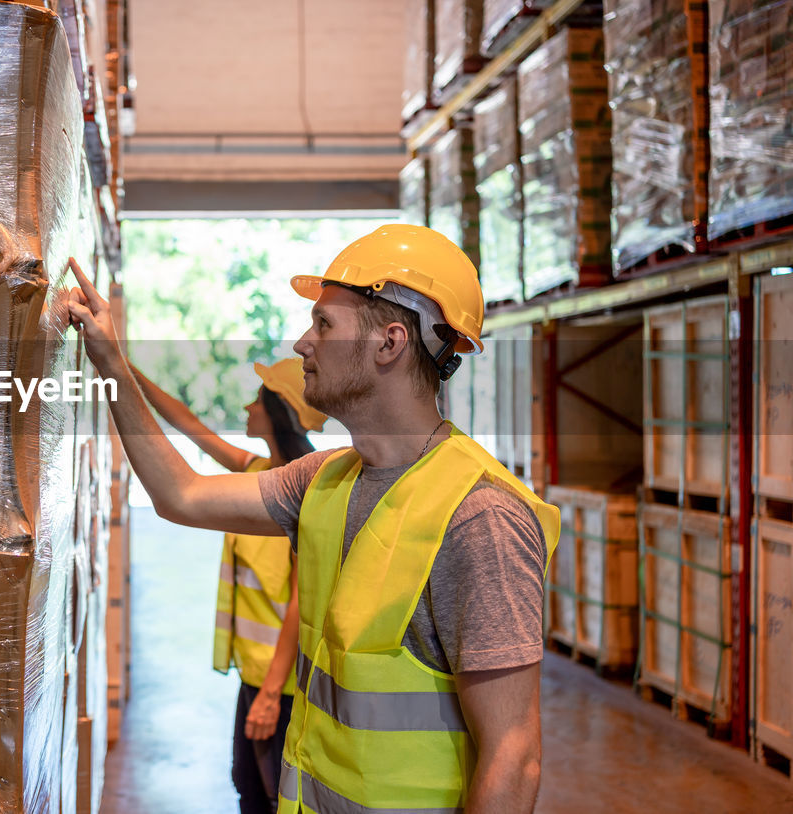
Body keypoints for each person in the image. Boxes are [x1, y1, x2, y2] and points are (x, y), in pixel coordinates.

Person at [66, 223, 561, 814]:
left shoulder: (480, 517)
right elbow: (183, 495)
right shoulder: (323, 479)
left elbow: (513, 757)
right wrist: (112, 364)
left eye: (324, 324)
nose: (303, 343)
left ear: (390, 343)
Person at [132, 358, 327, 814]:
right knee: (248, 786)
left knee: (275, 798)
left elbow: (303, 602)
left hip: (281, 685)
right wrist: (123, 369)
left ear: (279, 413)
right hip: (253, 674)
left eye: (258, 399)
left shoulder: (306, 493)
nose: (247, 405)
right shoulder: (257, 473)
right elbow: (187, 424)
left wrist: (269, 695)